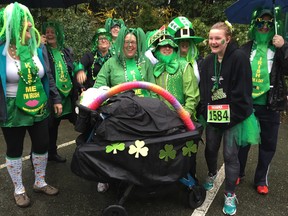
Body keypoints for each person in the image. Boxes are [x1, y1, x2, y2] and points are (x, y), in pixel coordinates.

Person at [0, 3, 61, 207]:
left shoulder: (37, 48)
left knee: (42, 143)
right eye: (27, 28)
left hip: (39, 105)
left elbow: (48, 75)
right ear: (14, 28)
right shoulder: (1, 51)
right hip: (12, 107)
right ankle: (18, 189)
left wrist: (56, 98)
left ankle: (40, 181)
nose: (31, 31)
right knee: (15, 148)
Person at [198, 21, 260, 215]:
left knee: (230, 156)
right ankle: (211, 173)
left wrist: (231, 117)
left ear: (228, 39)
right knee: (210, 149)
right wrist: (205, 111)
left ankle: (230, 194)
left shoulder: (239, 58)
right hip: (213, 117)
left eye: (218, 38)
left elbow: (243, 92)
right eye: (211, 38)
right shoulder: (208, 61)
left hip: (233, 117)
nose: (213, 42)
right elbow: (204, 90)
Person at [93, 26, 156, 192]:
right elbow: (99, 85)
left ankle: (142, 176)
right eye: (127, 42)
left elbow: (153, 88)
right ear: (121, 43)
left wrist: (156, 109)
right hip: (118, 113)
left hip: (143, 113)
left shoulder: (145, 62)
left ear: (138, 44)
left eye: (133, 42)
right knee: (109, 142)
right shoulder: (111, 63)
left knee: (144, 145)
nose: (130, 45)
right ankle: (104, 176)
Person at [238, 8, 288, 195]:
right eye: (260, 22)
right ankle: (239, 172)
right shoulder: (245, 48)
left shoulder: (278, 47)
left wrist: (283, 46)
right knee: (243, 142)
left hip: (270, 104)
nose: (264, 27)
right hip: (248, 104)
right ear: (254, 25)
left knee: (268, 144)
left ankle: (260, 179)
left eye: (269, 23)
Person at [150, 28, 200, 179]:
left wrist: (186, 114)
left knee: (186, 153)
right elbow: (153, 94)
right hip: (160, 121)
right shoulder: (155, 69)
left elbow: (192, 95)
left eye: (169, 46)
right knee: (164, 153)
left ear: (174, 49)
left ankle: (190, 179)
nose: (166, 48)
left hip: (181, 120)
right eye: (162, 46)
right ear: (157, 49)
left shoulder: (184, 66)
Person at [41, 21, 76, 163]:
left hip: (67, 96)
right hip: (51, 96)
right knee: (48, 127)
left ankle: (53, 153)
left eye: (52, 31)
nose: (50, 34)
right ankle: (40, 157)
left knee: (76, 121)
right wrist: (39, 45)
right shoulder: (41, 50)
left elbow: (71, 69)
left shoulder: (65, 50)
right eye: (47, 31)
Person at [167, 16, 204, 83]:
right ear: (177, 43)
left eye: (187, 40)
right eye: (181, 40)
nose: (185, 43)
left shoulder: (200, 62)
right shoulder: (169, 62)